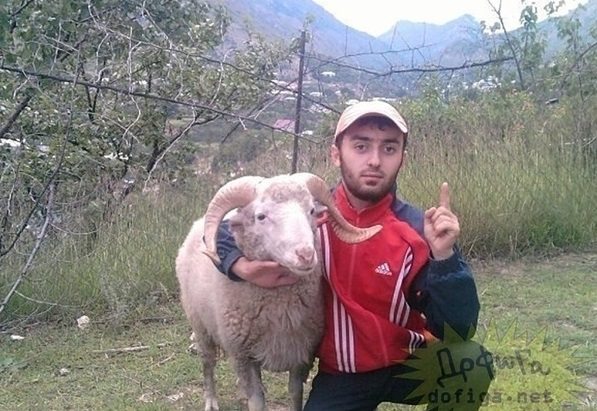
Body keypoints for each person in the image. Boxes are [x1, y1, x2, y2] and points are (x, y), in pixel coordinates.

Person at [215, 100, 493, 410]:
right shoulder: (309, 218)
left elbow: (459, 329)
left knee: (471, 362)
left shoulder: (419, 229)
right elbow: (222, 229)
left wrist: (445, 258)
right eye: (361, 146)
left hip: (410, 362)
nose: (374, 160)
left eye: (389, 148)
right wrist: (240, 266)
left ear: (402, 158)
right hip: (342, 376)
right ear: (336, 154)